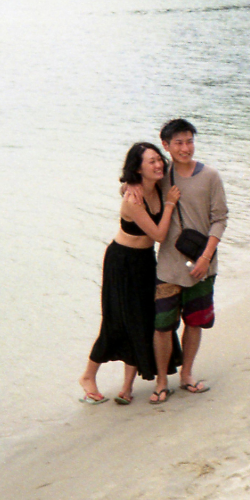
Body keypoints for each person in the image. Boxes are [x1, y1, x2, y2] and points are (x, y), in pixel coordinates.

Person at [78, 143, 182, 405]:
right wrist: (169, 205)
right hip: (121, 262)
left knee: (143, 319)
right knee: (117, 321)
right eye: (151, 162)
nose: (158, 165)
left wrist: (128, 183)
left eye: (159, 159)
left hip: (145, 261)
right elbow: (158, 234)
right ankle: (88, 376)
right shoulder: (133, 199)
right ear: (138, 168)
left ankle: (126, 387)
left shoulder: (155, 185)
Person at [150, 118, 227, 405]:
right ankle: (161, 380)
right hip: (168, 266)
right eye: (179, 143)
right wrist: (128, 188)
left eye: (189, 141)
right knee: (162, 325)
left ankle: (187, 375)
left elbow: (220, 219)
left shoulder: (210, 176)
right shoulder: (160, 177)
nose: (186, 148)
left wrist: (206, 258)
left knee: (194, 322)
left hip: (202, 264)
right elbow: (136, 189)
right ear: (166, 146)